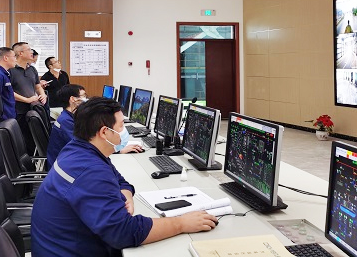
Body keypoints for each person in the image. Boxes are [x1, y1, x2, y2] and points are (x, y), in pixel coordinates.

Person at [31, 97, 217, 256]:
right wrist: (181, 223)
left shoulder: (79, 150)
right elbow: (124, 233)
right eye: (121, 126)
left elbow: (119, 180)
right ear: (104, 132)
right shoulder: (90, 170)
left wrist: (126, 195)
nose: (124, 130)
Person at [11, 42, 48, 154]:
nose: (32, 52)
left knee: (33, 139)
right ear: (20, 53)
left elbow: (37, 86)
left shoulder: (32, 69)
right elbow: (8, 92)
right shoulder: (11, 69)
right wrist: (26, 100)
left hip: (33, 109)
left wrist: (43, 94)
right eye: (29, 49)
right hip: (18, 111)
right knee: (21, 140)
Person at [0, 47, 17, 121]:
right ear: (6, 58)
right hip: (2, 118)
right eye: (14, 56)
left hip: (8, 116)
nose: (16, 59)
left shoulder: (4, 73)